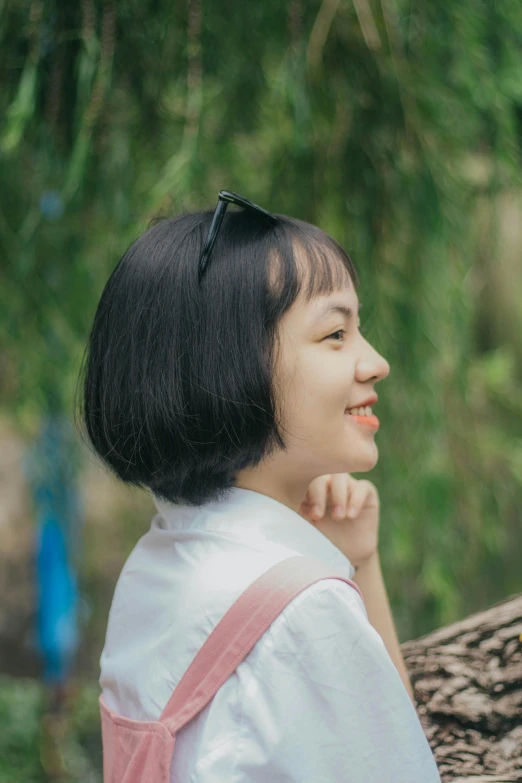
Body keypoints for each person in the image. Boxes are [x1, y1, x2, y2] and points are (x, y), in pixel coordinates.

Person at [77, 191, 441, 782]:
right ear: (229, 365)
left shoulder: (158, 563)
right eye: (335, 336)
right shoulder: (301, 612)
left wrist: (358, 559)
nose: (376, 363)